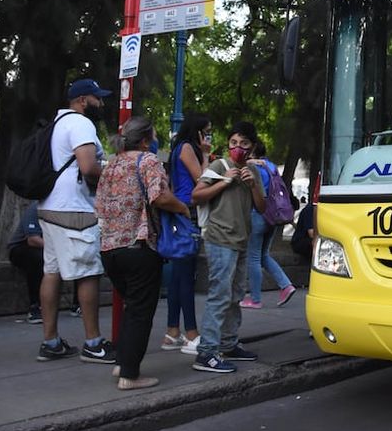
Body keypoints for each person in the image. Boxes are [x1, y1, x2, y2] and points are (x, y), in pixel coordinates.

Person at [96, 116, 189, 390]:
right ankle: (130, 374)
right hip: (139, 246)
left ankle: (121, 363)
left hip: (110, 249)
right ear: (146, 139)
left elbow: (99, 204)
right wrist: (182, 208)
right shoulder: (147, 161)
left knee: (131, 306)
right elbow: (159, 197)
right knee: (140, 311)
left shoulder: (112, 164)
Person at [35, 78, 115, 364]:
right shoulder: (81, 124)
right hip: (75, 211)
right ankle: (93, 343)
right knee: (88, 273)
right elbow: (87, 167)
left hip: (49, 207)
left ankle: (51, 341)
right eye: (98, 98)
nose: (102, 104)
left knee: (52, 272)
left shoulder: (56, 124)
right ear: (83, 100)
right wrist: (112, 173)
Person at [190, 121, 266, 373]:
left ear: (252, 147)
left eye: (244, 144)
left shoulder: (252, 173)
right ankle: (207, 352)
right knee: (219, 295)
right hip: (219, 239)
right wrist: (225, 181)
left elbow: (262, 207)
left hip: (241, 239)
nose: (238, 148)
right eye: (234, 143)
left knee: (235, 295)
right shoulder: (218, 166)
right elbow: (196, 195)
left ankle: (228, 343)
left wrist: (252, 184)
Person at [163, 113, 211, 355]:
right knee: (186, 275)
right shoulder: (188, 149)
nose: (209, 137)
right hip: (188, 211)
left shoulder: (176, 150)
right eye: (207, 132)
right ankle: (192, 333)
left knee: (177, 275)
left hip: (178, 212)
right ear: (198, 132)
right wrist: (205, 154)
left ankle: (173, 331)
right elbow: (202, 179)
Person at [240, 144, 296, 310]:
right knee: (264, 255)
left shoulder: (252, 166)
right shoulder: (270, 166)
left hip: (258, 214)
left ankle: (255, 299)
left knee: (254, 257)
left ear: (253, 152)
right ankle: (286, 285)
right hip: (273, 215)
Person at [8, 202, 45, 324]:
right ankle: (35, 306)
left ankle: (77, 304)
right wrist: (58, 248)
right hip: (21, 247)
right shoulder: (36, 208)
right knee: (36, 258)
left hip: (49, 247)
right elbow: (33, 240)